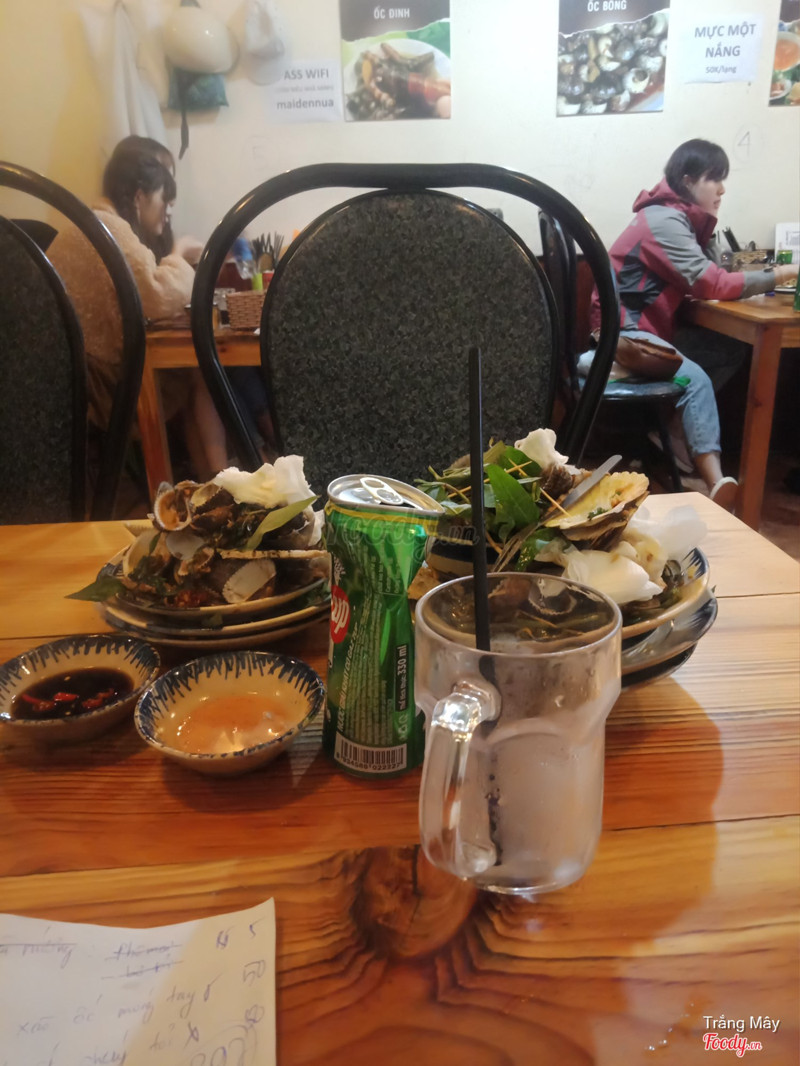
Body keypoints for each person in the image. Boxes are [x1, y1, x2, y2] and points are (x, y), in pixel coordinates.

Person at [590, 138, 798, 510]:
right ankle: (713, 481)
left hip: (636, 329)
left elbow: (704, 277)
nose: (721, 189)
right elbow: (711, 283)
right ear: (687, 181)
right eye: (713, 178)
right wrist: (781, 273)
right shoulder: (664, 220)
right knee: (695, 379)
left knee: (727, 349)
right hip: (622, 334)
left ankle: (673, 438)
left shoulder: (674, 218)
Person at [49, 140, 229, 481]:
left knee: (193, 369)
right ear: (139, 196)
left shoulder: (90, 223)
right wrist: (178, 253)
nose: (167, 211)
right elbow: (156, 295)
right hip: (101, 388)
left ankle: (211, 482)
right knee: (200, 369)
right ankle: (219, 480)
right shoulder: (109, 228)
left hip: (69, 377)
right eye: (163, 200)